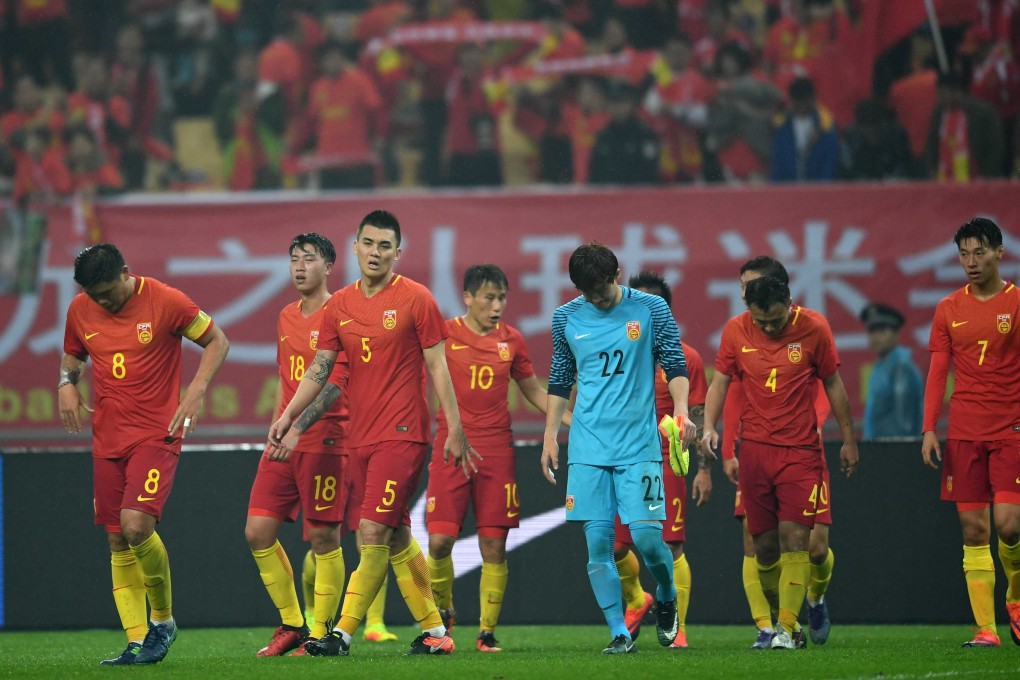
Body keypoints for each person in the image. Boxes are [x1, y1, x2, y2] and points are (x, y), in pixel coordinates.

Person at [269, 209, 479, 657]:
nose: (375, 252)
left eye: (385, 246)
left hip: (403, 433)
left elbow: (439, 367)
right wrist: (288, 416)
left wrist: (454, 428)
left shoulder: (417, 299)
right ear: (355, 247)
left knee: (370, 531)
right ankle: (436, 631)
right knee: (396, 534)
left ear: (397, 253)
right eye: (368, 243)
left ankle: (340, 634)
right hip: (359, 439)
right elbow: (321, 368)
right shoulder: (340, 305)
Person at [58, 243, 229, 665]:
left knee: (135, 525)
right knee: (116, 537)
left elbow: (217, 340)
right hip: (108, 437)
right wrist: (66, 383)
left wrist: (196, 390)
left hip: (157, 432)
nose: (101, 302)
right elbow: (73, 354)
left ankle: (163, 622)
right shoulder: (80, 309)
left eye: (107, 293)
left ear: (125, 273)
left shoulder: (166, 301)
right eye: (93, 295)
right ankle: (137, 642)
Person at [541, 242, 697, 654]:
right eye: (587, 292)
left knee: (647, 540)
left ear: (617, 274)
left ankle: (666, 592)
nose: (596, 299)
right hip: (588, 447)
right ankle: (618, 632)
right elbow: (560, 377)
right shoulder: (566, 317)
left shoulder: (650, 309)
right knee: (599, 545)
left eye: (601, 290)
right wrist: (550, 434)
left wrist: (682, 411)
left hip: (638, 445)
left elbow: (674, 362)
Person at [703, 274, 858, 650]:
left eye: (776, 320)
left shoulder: (814, 328)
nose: (770, 328)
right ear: (748, 309)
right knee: (764, 549)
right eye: (762, 322)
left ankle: (786, 629)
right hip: (755, 453)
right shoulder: (735, 330)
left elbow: (833, 383)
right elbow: (720, 383)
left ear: (790, 302)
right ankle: (785, 622)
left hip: (800, 452)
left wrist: (848, 439)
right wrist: (709, 427)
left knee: (798, 541)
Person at [426, 264, 568, 653]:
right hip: (452, 449)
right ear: (468, 298)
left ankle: (486, 632)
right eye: (489, 297)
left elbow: (533, 391)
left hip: (497, 452)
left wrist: (569, 418)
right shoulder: (444, 334)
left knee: (494, 546)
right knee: (438, 542)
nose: (497, 306)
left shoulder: (512, 341)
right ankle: (443, 612)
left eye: (502, 298)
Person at [243, 233, 349, 656]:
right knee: (257, 532)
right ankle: (293, 624)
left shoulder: (341, 314)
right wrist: (275, 430)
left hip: (325, 439)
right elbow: (285, 378)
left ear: (329, 266)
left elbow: (336, 386)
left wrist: (297, 428)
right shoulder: (286, 315)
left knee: (323, 538)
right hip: (284, 440)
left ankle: (321, 634)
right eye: (294, 259)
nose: (300, 267)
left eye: (309, 259)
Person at [921, 217, 1020, 648]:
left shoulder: (1016, 302)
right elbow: (938, 372)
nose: (971, 262)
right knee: (974, 531)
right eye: (964, 254)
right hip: (964, 432)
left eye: (980, 252)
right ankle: (986, 629)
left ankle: (1015, 599)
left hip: (1011, 429)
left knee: (1009, 527)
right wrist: (929, 428)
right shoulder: (948, 308)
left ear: (999, 252)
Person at [613, 271, 714, 650]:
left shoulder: (686, 357)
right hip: (622, 459)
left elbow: (697, 415)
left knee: (670, 547)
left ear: (663, 311)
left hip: (666, 462)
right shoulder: (617, 349)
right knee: (613, 546)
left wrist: (703, 469)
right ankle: (637, 600)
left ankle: (677, 629)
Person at [859, 302, 923, 439]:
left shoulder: (901, 367)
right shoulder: (881, 366)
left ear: (896, 334)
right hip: (879, 447)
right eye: (872, 331)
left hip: (896, 448)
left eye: (882, 331)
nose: (876, 337)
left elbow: (905, 422)